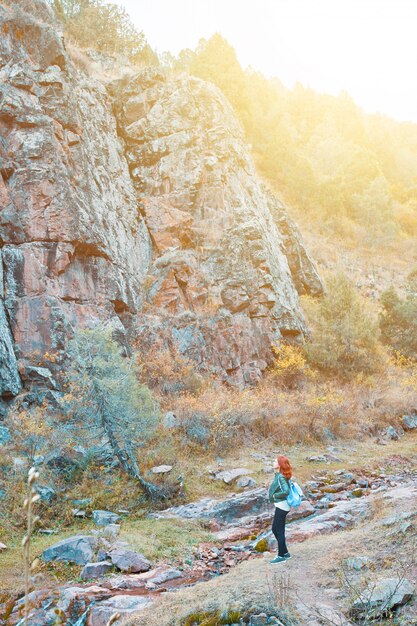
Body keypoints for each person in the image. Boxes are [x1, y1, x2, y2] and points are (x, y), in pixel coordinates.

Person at [268, 454, 292, 564]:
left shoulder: (281, 477)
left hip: (282, 506)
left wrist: (274, 496)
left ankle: (281, 555)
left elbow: (286, 491)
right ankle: (285, 552)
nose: (273, 463)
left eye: (274, 461)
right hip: (281, 506)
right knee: (275, 529)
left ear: (279, 464)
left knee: (279, 531)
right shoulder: (278, 475)